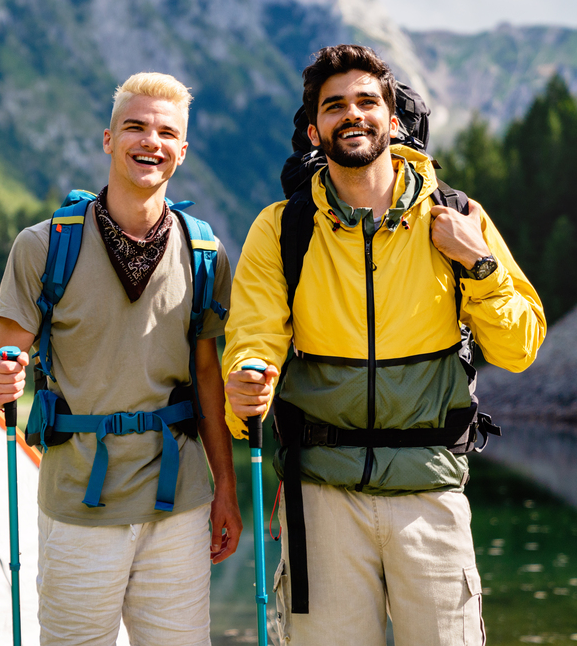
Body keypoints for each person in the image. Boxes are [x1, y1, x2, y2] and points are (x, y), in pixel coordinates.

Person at [223, 45, 546, 645]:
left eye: (367, 101)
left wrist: (477, 264)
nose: (353, 114)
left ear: (393, 120)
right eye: (335, 105)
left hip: (432, 490)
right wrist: (247, 375)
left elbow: (520, 346)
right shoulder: (282, 227)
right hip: (320, 497)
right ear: (315, 129)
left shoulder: (457, 215)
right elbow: (254, 335)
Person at [0, 72, 240, 646]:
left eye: (166, 132)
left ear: (183, 150)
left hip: (180, 504)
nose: (151, 141)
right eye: (135, 126)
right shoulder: (44, 245)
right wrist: (0, 377)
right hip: (77, 501)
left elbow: (206, 378)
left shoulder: (205, 254)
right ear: (107, 139)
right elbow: (1, 364)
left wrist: (226, 487)